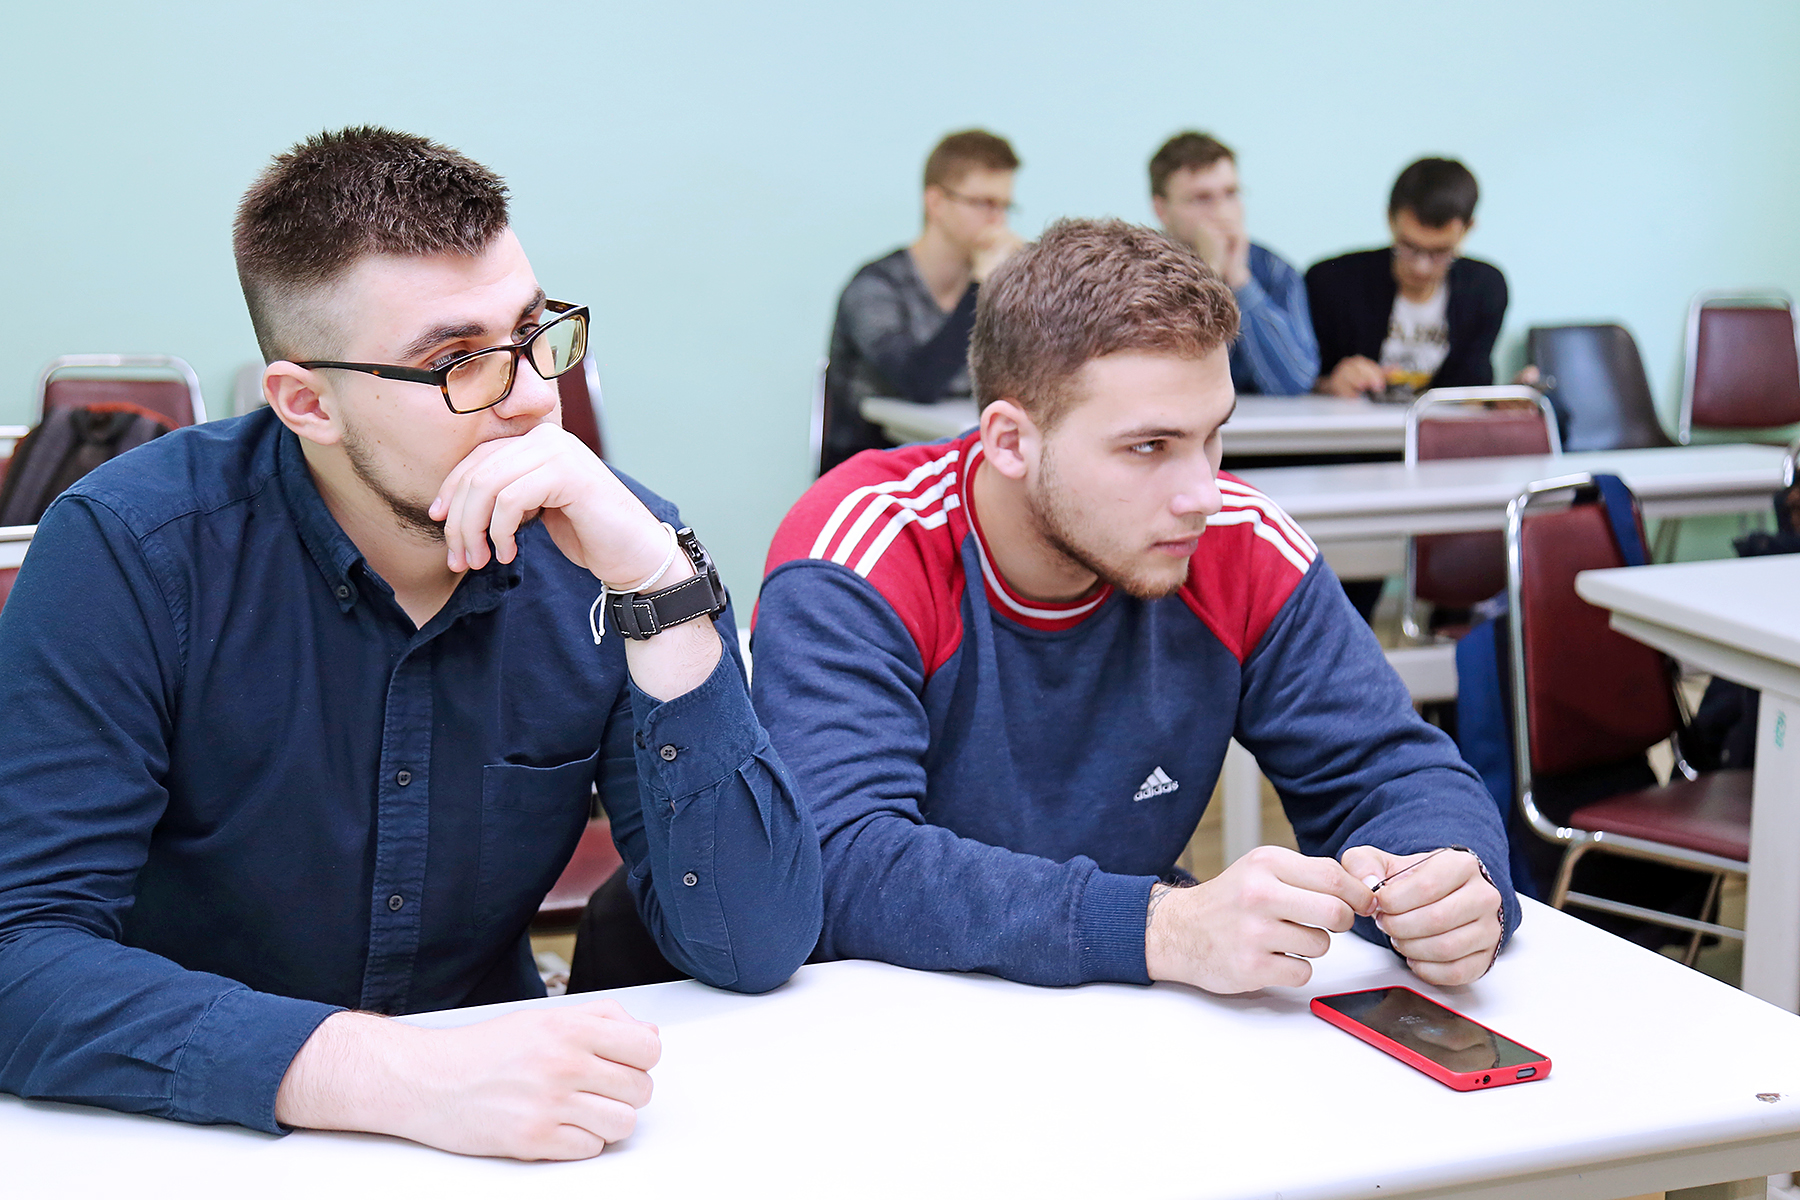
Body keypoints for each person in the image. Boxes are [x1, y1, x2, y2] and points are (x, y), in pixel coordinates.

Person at [0, 127, 822, 1159]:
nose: (535, 397)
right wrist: (396, 1075)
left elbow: (754, 944)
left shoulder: (616, 546)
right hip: (188, 1136)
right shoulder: (133, 548)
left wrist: (660, 587)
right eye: (457, 362)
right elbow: (21, 955)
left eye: (533, 332)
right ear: (309, 403)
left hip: (500, 1132)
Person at [752, 219, 1518, 997]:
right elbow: (836, 860)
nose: (1203, 494)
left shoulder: (1240, 541)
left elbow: (1393, 770)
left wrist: (1451, 881)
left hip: (1131, 1014)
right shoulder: (864, 549)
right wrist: (1158, 926)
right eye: (1149, 447)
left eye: (1213, 437)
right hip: (890, 1022)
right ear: (1010, 442)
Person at [820, 129, 1023, 473]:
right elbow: (921, 382)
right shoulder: (873, 288)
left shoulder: (992, 285)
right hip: (867, 476)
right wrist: (981, 288)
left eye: (1005, 206)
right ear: (936, 202)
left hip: (954, 470)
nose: (998, 220)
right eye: (984, 203)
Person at [1307, 157, 1507, 399]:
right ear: (1390, 219)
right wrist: (1330, 384)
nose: (1421, 267)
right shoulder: (1331, 282)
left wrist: (1509, 397)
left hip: (1440, 422)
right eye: (1409, 247)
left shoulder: (1486, 289)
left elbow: (1473, 387)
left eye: (1440, 252)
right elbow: (1294, 379)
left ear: (1467, 229)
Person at [1150, 131, 1317, 396]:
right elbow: (1159, 383)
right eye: (1202, 198)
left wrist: (1239, 278)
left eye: (1231, 193)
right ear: (1161, 209)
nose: (1221, 211)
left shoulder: (1275, 270)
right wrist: (1208, 277)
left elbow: (1296, 382)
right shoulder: (1137, 272)